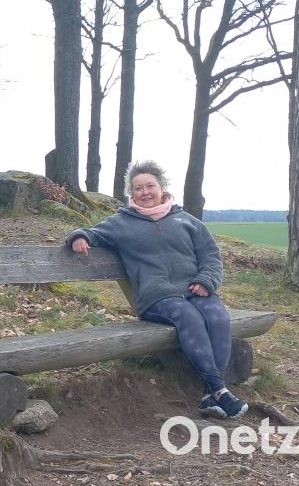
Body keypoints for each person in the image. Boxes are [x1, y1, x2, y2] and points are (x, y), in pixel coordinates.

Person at [66, 160, 247, 419]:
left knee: (218, 317)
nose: (145, 192)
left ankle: (211, 395)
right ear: (131, 193)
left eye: (150, 186)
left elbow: (211, 255)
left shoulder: (186, 220)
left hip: (196, 289)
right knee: (190, 318)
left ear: (162, 187)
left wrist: (206, 281)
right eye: (138, 188)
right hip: (157, 297)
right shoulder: (121, 223)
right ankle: (219, 390)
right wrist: (79, 237)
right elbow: (91, 233)